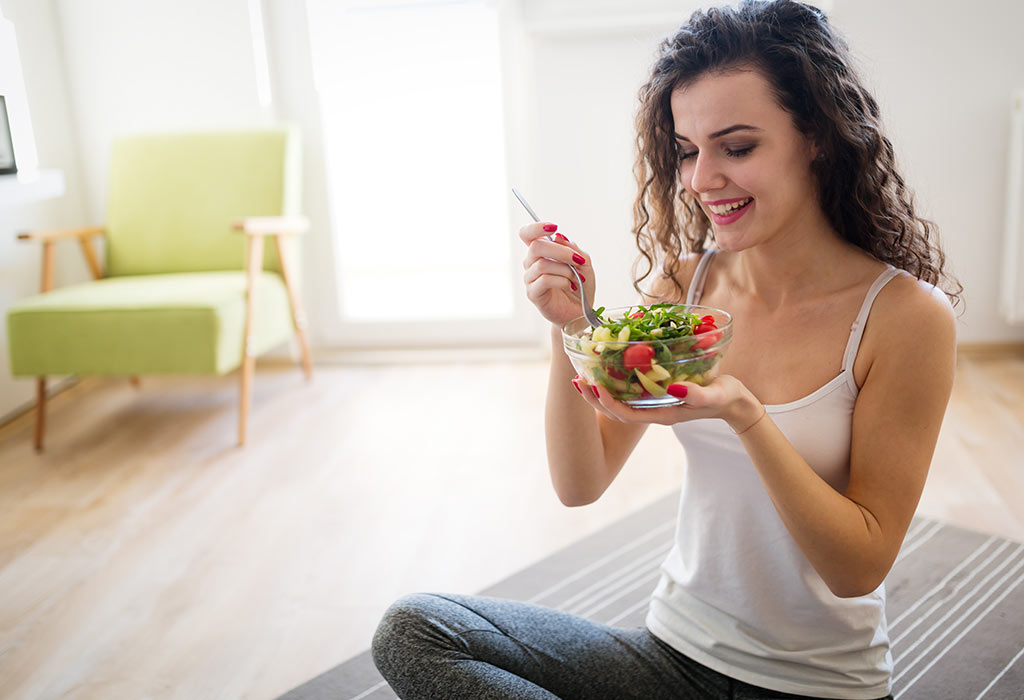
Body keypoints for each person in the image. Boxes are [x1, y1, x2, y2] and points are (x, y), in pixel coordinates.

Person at [371, 1, 961, 698]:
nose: (701, 178)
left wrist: (745, 414)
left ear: (818, 139)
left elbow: (857, 566)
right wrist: (572, 327)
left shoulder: (903, 317)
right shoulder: (685, 281)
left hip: (814, 686)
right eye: (687, 149)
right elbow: (580, 482)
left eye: (737, 147)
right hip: (675, 654)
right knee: (414, 631)